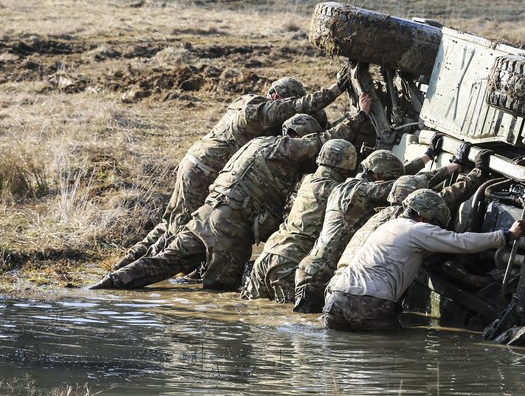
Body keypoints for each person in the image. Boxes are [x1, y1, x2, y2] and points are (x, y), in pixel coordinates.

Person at [86, 94, 373, 291]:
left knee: (162, 263)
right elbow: (325, 140)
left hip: (205, 216)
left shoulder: (257, 143)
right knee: (222, 290)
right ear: (299, 137)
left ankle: (105, 285)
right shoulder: (282, 148)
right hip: (230, 229)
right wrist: (360, 116)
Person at [114, 70, 351, 269]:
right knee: (179, 230)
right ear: (278, 97)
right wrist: (336, 89)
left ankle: (124, 263)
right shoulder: (259, 111)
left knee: (169, 223)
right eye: (285, 104)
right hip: (204, 172)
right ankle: (140, 268)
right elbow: (300, 106)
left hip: (195, 163)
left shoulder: (243, 102)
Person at [323, 188, 525, 332]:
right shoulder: (417, 229)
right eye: (435, 224)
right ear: (425, 217)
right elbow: (461, 242)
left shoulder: (388, 226)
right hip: (370, 305)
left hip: (336, 301)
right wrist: (506, 235)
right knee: (390, 355)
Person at [291, 147, 442, 312]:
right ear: (378, 176)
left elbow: (398, 179)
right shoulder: (362, 191)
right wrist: (446, 170)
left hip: (309, 267)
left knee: (310, 325)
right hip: (322, 273)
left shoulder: (343, 187)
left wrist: (426, 157)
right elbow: (402, 186)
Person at [240, 139, 358, 302]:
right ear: (348, 163)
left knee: (254, 312)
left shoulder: (306, 181)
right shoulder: (336, 190)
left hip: (267, 255)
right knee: (289, 318)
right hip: (289, 261)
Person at [333, 156, 487, 272]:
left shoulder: (380, 215)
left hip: (343, 275)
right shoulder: (405, 222)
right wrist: (478, 172)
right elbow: (451, 194)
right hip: (364, 284)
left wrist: (448, 168)